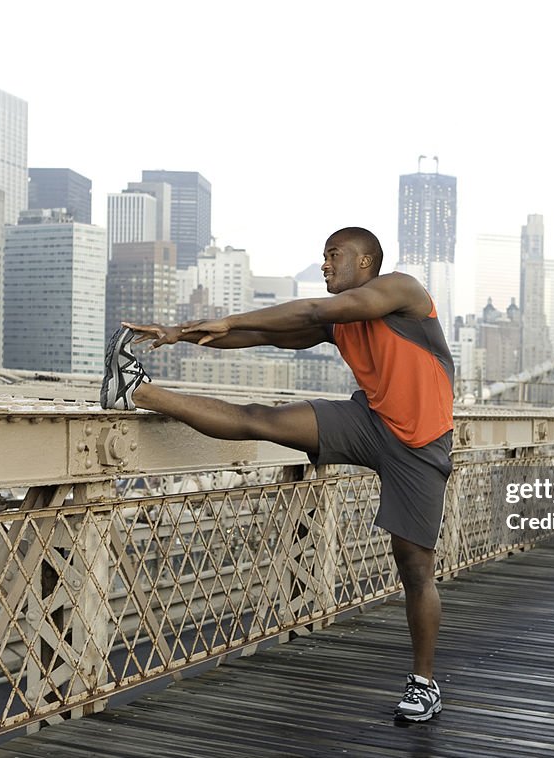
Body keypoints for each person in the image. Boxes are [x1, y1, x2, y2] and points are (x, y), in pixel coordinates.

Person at [101, 226, 454, 722]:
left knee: (415, 567)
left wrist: (229, 318)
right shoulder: (340, 322)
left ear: (366, 262)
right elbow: (265, 334)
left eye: (334, 256)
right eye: (324, 257)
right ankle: (134, 390)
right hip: (370, 421)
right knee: (259, 419)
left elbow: (309, 312)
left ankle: (424, 685)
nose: (326, 264)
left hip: (420, 443)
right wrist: (181, 333)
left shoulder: (403, 289)